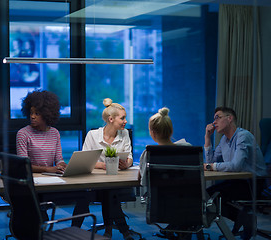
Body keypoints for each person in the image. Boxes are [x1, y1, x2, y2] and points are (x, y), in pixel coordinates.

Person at [73, 98, 134, 240]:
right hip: (95, 184)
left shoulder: (124, 134)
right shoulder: (93, 135)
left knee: (109, 191)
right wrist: (104, 165)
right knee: (100, 193)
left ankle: (110, 231)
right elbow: (84, 161)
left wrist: (127, 164)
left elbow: (129, 156)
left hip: (117, 181)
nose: (125, 121)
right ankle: (123, 231)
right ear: (111, 119)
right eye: (123, 118)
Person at [204, 106, 267, 239]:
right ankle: (246, 219)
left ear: (229, 118)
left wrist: (210, 166)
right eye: (214, 119)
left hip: (254, 183)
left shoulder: (243, 136)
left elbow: (236, 166)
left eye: (218, 118)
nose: (214, 122)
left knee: (211, 198)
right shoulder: (224, 140)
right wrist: (208, 138)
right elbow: (210, 162)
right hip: (238, 181)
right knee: (206, 196)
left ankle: (246, 219)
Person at [138, 107, 191, 196]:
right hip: (186, 202)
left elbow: (143, 181)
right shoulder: (188, 149)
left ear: (153, 133)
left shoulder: (148, 154)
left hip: (160, 204)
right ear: (171, 130)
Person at [16, 90, 67, 174]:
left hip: (50, 176)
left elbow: (58, 159)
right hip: (31, 178)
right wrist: (47, 169)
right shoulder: (23, 134)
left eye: (37, 114)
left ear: (46, 114)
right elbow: (23, 165)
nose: (32, 117)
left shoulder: (55, 133)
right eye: (31, 113)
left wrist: (62, 165)